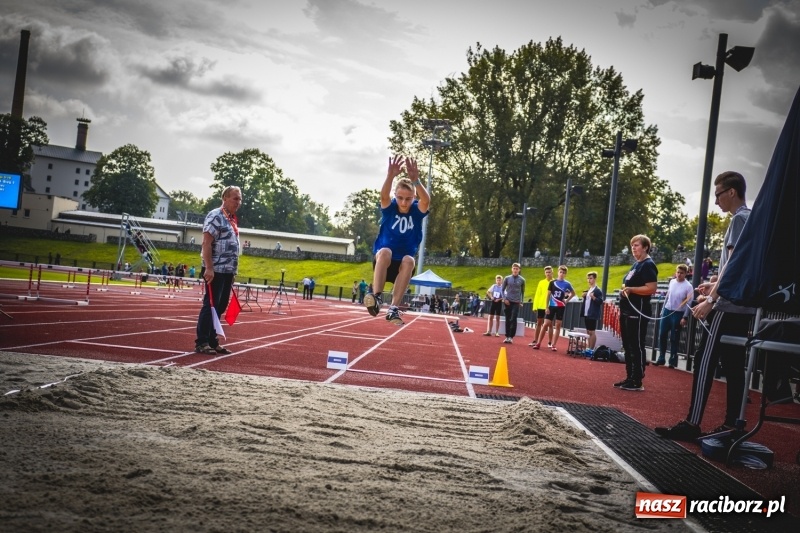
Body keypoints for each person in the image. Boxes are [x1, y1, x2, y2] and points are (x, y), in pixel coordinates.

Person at [656, 171, 754, 440]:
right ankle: (733, 423)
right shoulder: (751, 219)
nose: (716, 201)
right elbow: (739, 268)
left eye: (718, 194)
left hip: (728, 306)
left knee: (704, 359)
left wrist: (712, 299)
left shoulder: (739, 220)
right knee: (734, 365)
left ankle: (692, 422)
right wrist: (714, 286)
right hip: (741, 304)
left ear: (732, 192)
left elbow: (733, 264)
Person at [363, 155, 429, 325]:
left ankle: (393, 308)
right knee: (385, 252)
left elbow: (426, 200)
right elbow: (384, 195)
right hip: (384, 261)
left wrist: (416, 181)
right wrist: (390, 176)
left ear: (413, 197)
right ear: (395, 196)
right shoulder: (390, 208)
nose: (404, 202)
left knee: (409, 260)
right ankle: (376, 297)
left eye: (408, 199)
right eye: (400, 198)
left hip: (402, 266)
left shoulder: (416, 211)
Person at [194, 185, 242, 355]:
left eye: (240, 199)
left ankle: (213, 341)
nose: (239, 202)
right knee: (211, 305)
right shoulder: (215, 216)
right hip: (216, 269)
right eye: (235, 198)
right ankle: (202, 342)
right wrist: (209, 268)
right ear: (225, 198)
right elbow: (206, 243)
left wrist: (233, 272)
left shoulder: (231, 219)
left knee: (220, 306)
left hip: (228, 271)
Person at [614, 235, 658, 392]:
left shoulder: (647, 265)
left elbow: (651, 288)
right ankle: (629, 376)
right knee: (627, 344)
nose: (633, 248)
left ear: (645, 247)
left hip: (637, 311)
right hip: (627, 309)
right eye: (632, 245)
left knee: (635, 344)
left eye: (637, 245)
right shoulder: (636, 265)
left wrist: (632, 289)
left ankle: (637, 379)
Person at [654, 264, 693, 368]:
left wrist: (685, 317)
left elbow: (689, 303)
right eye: (678, 272)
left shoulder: (688, 286)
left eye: (681, 273)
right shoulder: (672, 282)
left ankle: (672, 360)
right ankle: (661, 358)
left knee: (674, 337)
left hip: (678, 312)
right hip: (667, 310)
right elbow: (667, 296)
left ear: (685, 274)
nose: (679, 275)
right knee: (662, 334)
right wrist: (662, 310)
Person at [532, 265, 573, 351]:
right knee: (545, 324)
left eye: (564, 273)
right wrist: (546, 307)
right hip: (552, 306)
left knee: (558, 325)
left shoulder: (567, 284)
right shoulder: (552, 283)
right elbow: (548, 295)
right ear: (558, 272)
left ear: (565, 274)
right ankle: (538, 343)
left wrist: (566, 300)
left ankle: (553, 344)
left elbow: (573, 293)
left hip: (561, 307)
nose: (562, 274)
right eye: (560, 272)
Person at [529, 266, 554, 348]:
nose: (548, 274)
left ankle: (550, 342)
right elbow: (537, 295)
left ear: (552, 273)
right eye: (546, 272)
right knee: (539, 323)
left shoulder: (555, 282)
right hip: (541, 305)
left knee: (550, 324)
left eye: (549, 272)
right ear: (544, 273)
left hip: (551, 306)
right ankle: (535, 340)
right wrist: (534, 306)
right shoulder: (541, 282)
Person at [500, 263, 525, 344]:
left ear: (519, 270)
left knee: (513, 318)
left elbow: (523, 292)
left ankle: (511, 336)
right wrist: (504, 299)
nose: (515, 270)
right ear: (512, 269)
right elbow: (502, 289)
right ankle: (507, 336)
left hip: (516, 302)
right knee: (508, 318)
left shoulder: (522, 280)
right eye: (514, 268)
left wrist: (521, 301)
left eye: (517, 269)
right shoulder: (507, 278)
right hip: (508, 301)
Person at [581, 271, 604, 351]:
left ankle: (591, 349)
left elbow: (600, 301)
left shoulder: (597, 290)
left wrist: (593, 297)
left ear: (594, 279)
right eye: (588, 278)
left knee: (592, 332)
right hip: (587, 313)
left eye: (590, 278)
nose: (589, 280)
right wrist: (584, 296)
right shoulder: (589, 290)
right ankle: (588, 347)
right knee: (588, 331)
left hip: (592, 313)